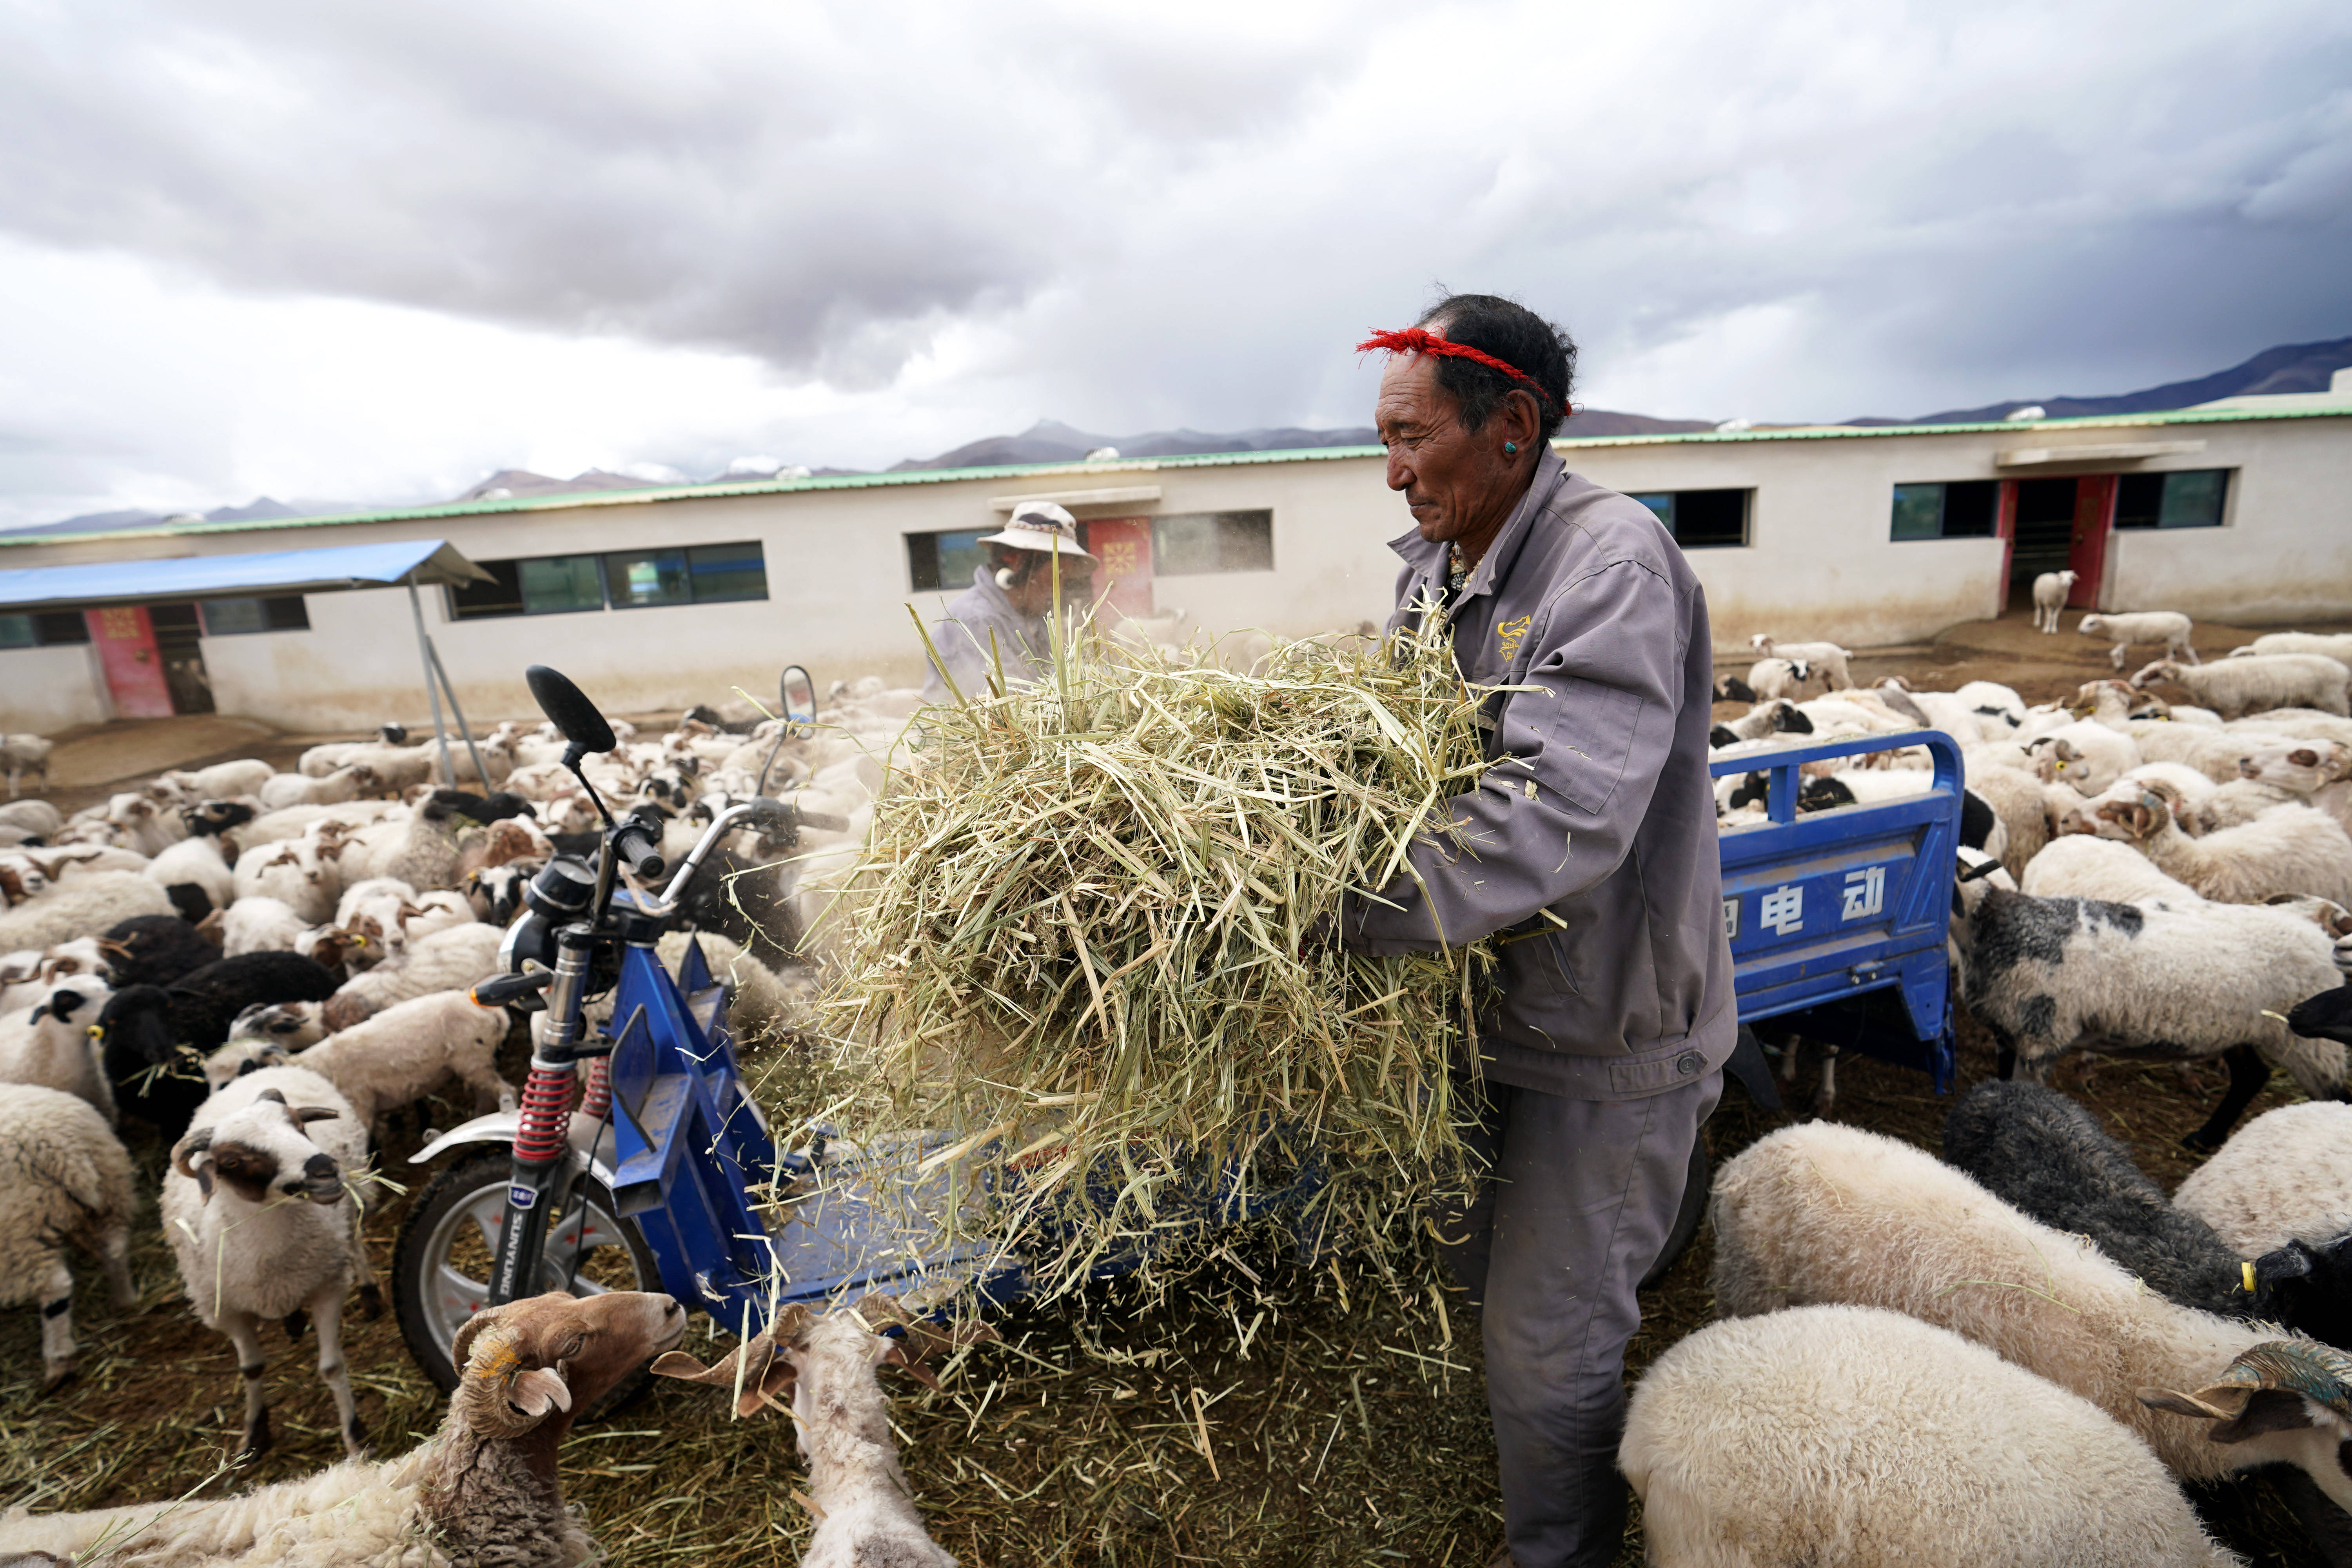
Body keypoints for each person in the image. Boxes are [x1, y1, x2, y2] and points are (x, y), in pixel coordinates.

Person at [1339, 294, 1735, 1568]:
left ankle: (1563, 1554)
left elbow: (1558, 815)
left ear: (1512, 424)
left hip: (1601, 1028)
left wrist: (1328, 909)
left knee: (1549, 1342)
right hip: (1485, 1015)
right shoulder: (1435, 574)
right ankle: (1535, 1511)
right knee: (1479, 1301)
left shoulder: (1608, 565)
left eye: (1413, 439)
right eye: (1382, 442)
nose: (1394, 472)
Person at [918, 500, 1097, 703]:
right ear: (1016, 560)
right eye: (1056, 574)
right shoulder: (976, 619)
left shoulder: (1033, 616)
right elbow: (1002, 705)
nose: (1059, 587)